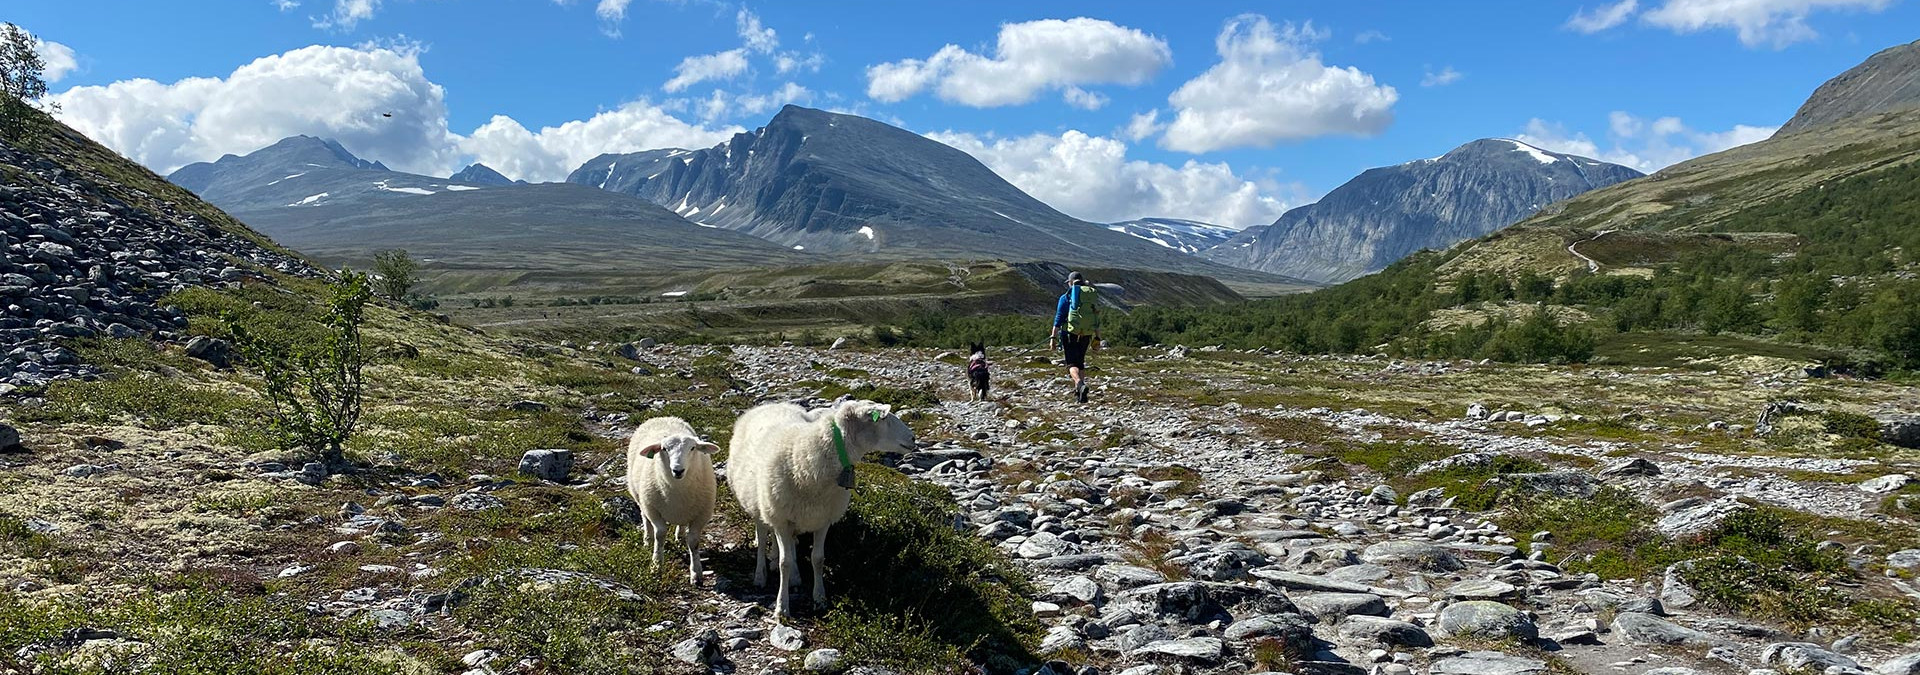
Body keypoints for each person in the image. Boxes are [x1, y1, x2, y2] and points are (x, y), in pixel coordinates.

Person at [1049, 271, 1101, 403]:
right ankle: (1080, 395)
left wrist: (1053, 338)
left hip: (1069, 334)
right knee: (1080, 363)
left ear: (1071, 282)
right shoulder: (1090, 297)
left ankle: (1079, 384)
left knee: (1071, 364)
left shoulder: (1065, 297)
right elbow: (1095, 319)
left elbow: (1058, 319)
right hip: (1086, 334)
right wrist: (1098, 338)